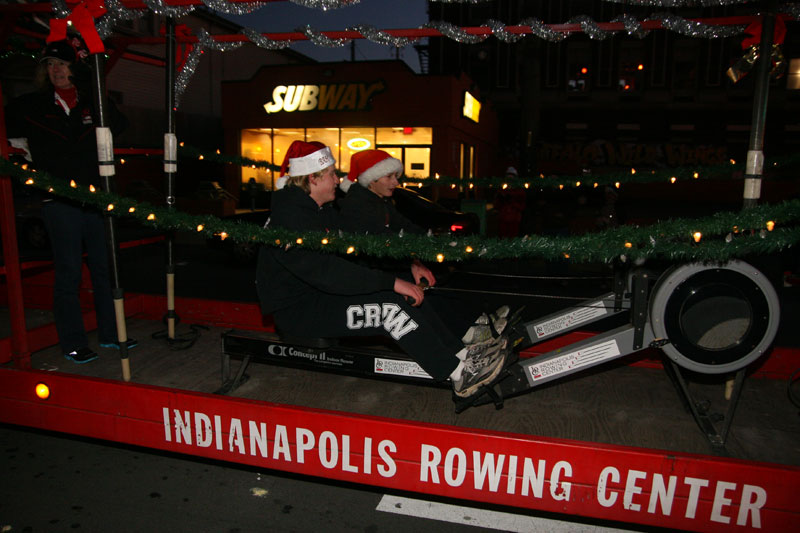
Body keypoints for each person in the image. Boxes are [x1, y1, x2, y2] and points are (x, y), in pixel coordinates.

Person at [256, 141, 513, 399]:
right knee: (388, 310)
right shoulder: (291, 218)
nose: (339, 179)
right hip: (299, 312)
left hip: (317, 296)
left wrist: (408, 266)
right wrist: (390, 282)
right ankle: (460, 375)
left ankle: (462, 355)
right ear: (312, 178)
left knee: (403, 294)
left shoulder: (318, 210)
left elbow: (358, 245)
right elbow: (329, 273)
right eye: (333, 174)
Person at [4, 37, 135, 364]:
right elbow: (13, 139)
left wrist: (94, 89)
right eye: (49, 65)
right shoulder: (30, 106)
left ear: (75, 68)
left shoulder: (93, 102)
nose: (56, 70)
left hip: (96, 198)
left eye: (62, 64)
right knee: (69, 272)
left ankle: (110, 333)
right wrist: (28, 169)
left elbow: (120, 125)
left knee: (106, 269)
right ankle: (73, 341)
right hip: (58, 200)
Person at [493, 166, 526, 238]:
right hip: (503, 218)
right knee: (502, 237)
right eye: (508, 177)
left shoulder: (519, 191)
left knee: (512, 237)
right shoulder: (501, 189)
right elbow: (496, 205)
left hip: (514, 219)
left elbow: (522, 206)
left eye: (511, 177)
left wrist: (512, 202)